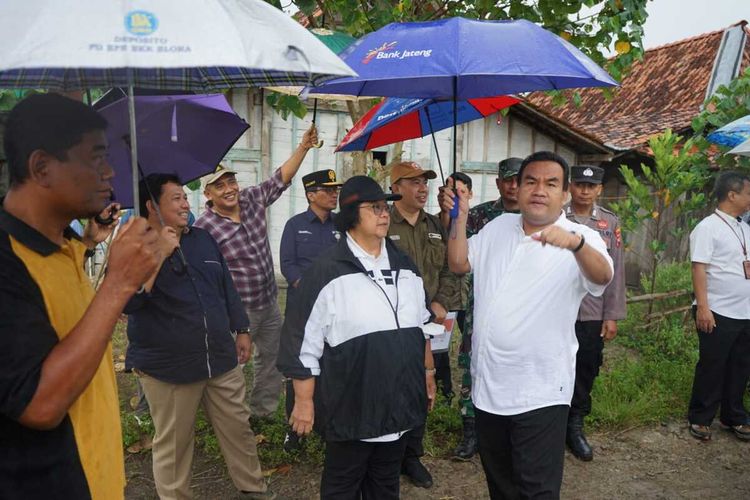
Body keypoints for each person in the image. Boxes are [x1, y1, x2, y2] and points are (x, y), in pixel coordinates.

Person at [0, 93, 161, 499]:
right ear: (41, 167)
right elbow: (39, 404)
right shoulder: (8, 262)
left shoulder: (68, 245)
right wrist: (118, 283)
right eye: (96, 158)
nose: (109, 172)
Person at [443, 151, 613, 499]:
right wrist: (457, 217)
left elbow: (603, 275)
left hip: (541, 391)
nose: (539, 190)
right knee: (501, 485)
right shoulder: (498, 227)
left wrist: (576, 245)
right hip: (489, 386)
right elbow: (460, 263)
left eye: (551, 183)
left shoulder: (580, 237)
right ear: (516, 189)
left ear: (564, 194)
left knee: (535, 490)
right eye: (531, 181)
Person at [277, 175, 437, 500]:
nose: (384, 214)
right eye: (374, 207)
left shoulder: (406, 268)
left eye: (385, 207)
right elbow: (300, 343)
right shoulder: (326, 272)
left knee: (385, 485)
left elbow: (421, 328)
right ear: (351, 213)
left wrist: (428, 373)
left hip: (398, 400)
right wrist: (304, 402)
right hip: (352, 403)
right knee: (342, 486)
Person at [125, 174, 273, 499]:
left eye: (184, 197)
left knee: (239, 430)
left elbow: (225, 287)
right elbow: (129, 302)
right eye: (176, 198)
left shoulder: (202, 238)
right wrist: (160, 253)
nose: (185, 203)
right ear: (152, 206)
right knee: (175, 444)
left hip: (220, 357)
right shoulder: (134, 246)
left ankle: (254, 490)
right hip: (170, 368)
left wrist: (242, 327)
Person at [194, 124, 318, 419]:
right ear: (208, 194)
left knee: (272, 359)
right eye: (220, 186)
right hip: (236, 313)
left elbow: (280, 178)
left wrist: (303, 147)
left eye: (231, 182)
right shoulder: (204, 228)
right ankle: (228, 416)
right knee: (232, 365)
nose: (229, 189)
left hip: (269, 302)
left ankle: (263, 413)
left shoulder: (251, 200)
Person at [442, 158, 523, 461]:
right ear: (499, 184)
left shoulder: (537, 217)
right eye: (508, 181)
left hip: (521, 309)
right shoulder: (478, 216)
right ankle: (471, 431)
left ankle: (511, 429)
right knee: (473, 364)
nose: (513, 186)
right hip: (481, 304)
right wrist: (451, 211)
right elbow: (456, 250)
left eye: (519, 180)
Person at [389, 160, 461, 489]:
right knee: (391, 386)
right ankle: (388, 453)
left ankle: (411, 456)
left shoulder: (436, 225)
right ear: (395, 188)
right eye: (413, 182)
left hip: (429, 320)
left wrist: (441, 302)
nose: (422, 188)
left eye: (425, 182)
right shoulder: (381, 223)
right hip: (391, 321)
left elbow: (450, 268)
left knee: (422, 387)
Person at [564, 165, 626, 461]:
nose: (585, 191)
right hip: (557, 309)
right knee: (555, 365)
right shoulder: (557, 218)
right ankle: (552, 423)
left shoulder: (609, 222)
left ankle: (575, 425)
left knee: (586, 367)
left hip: (591, 312)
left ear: (600, 189)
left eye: (591, 186)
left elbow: (616, 270)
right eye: (579, 185)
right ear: (571, 186)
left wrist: (611, 314)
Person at [279, 168, 342, 451]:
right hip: (303, 311)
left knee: (331, 366)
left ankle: (328, 424)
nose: (333, 194)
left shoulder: (342, 225)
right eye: (328, 190)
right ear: (311, 195)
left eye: (335, 190)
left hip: (338, 311)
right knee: (300, 367)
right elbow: (288, 264)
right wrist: (308, 290)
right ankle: (295, 429)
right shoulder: (294, 225)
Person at [687, 171, 750, 442]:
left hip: (745, 311)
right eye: (748, 193)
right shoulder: (707, 228)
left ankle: (732, 415)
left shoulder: (744, 228)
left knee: (740, 365)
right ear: (732, 195)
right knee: (713, 365)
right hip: (717, 310)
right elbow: (699, 268)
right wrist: (703, 307)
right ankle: (701, 418)